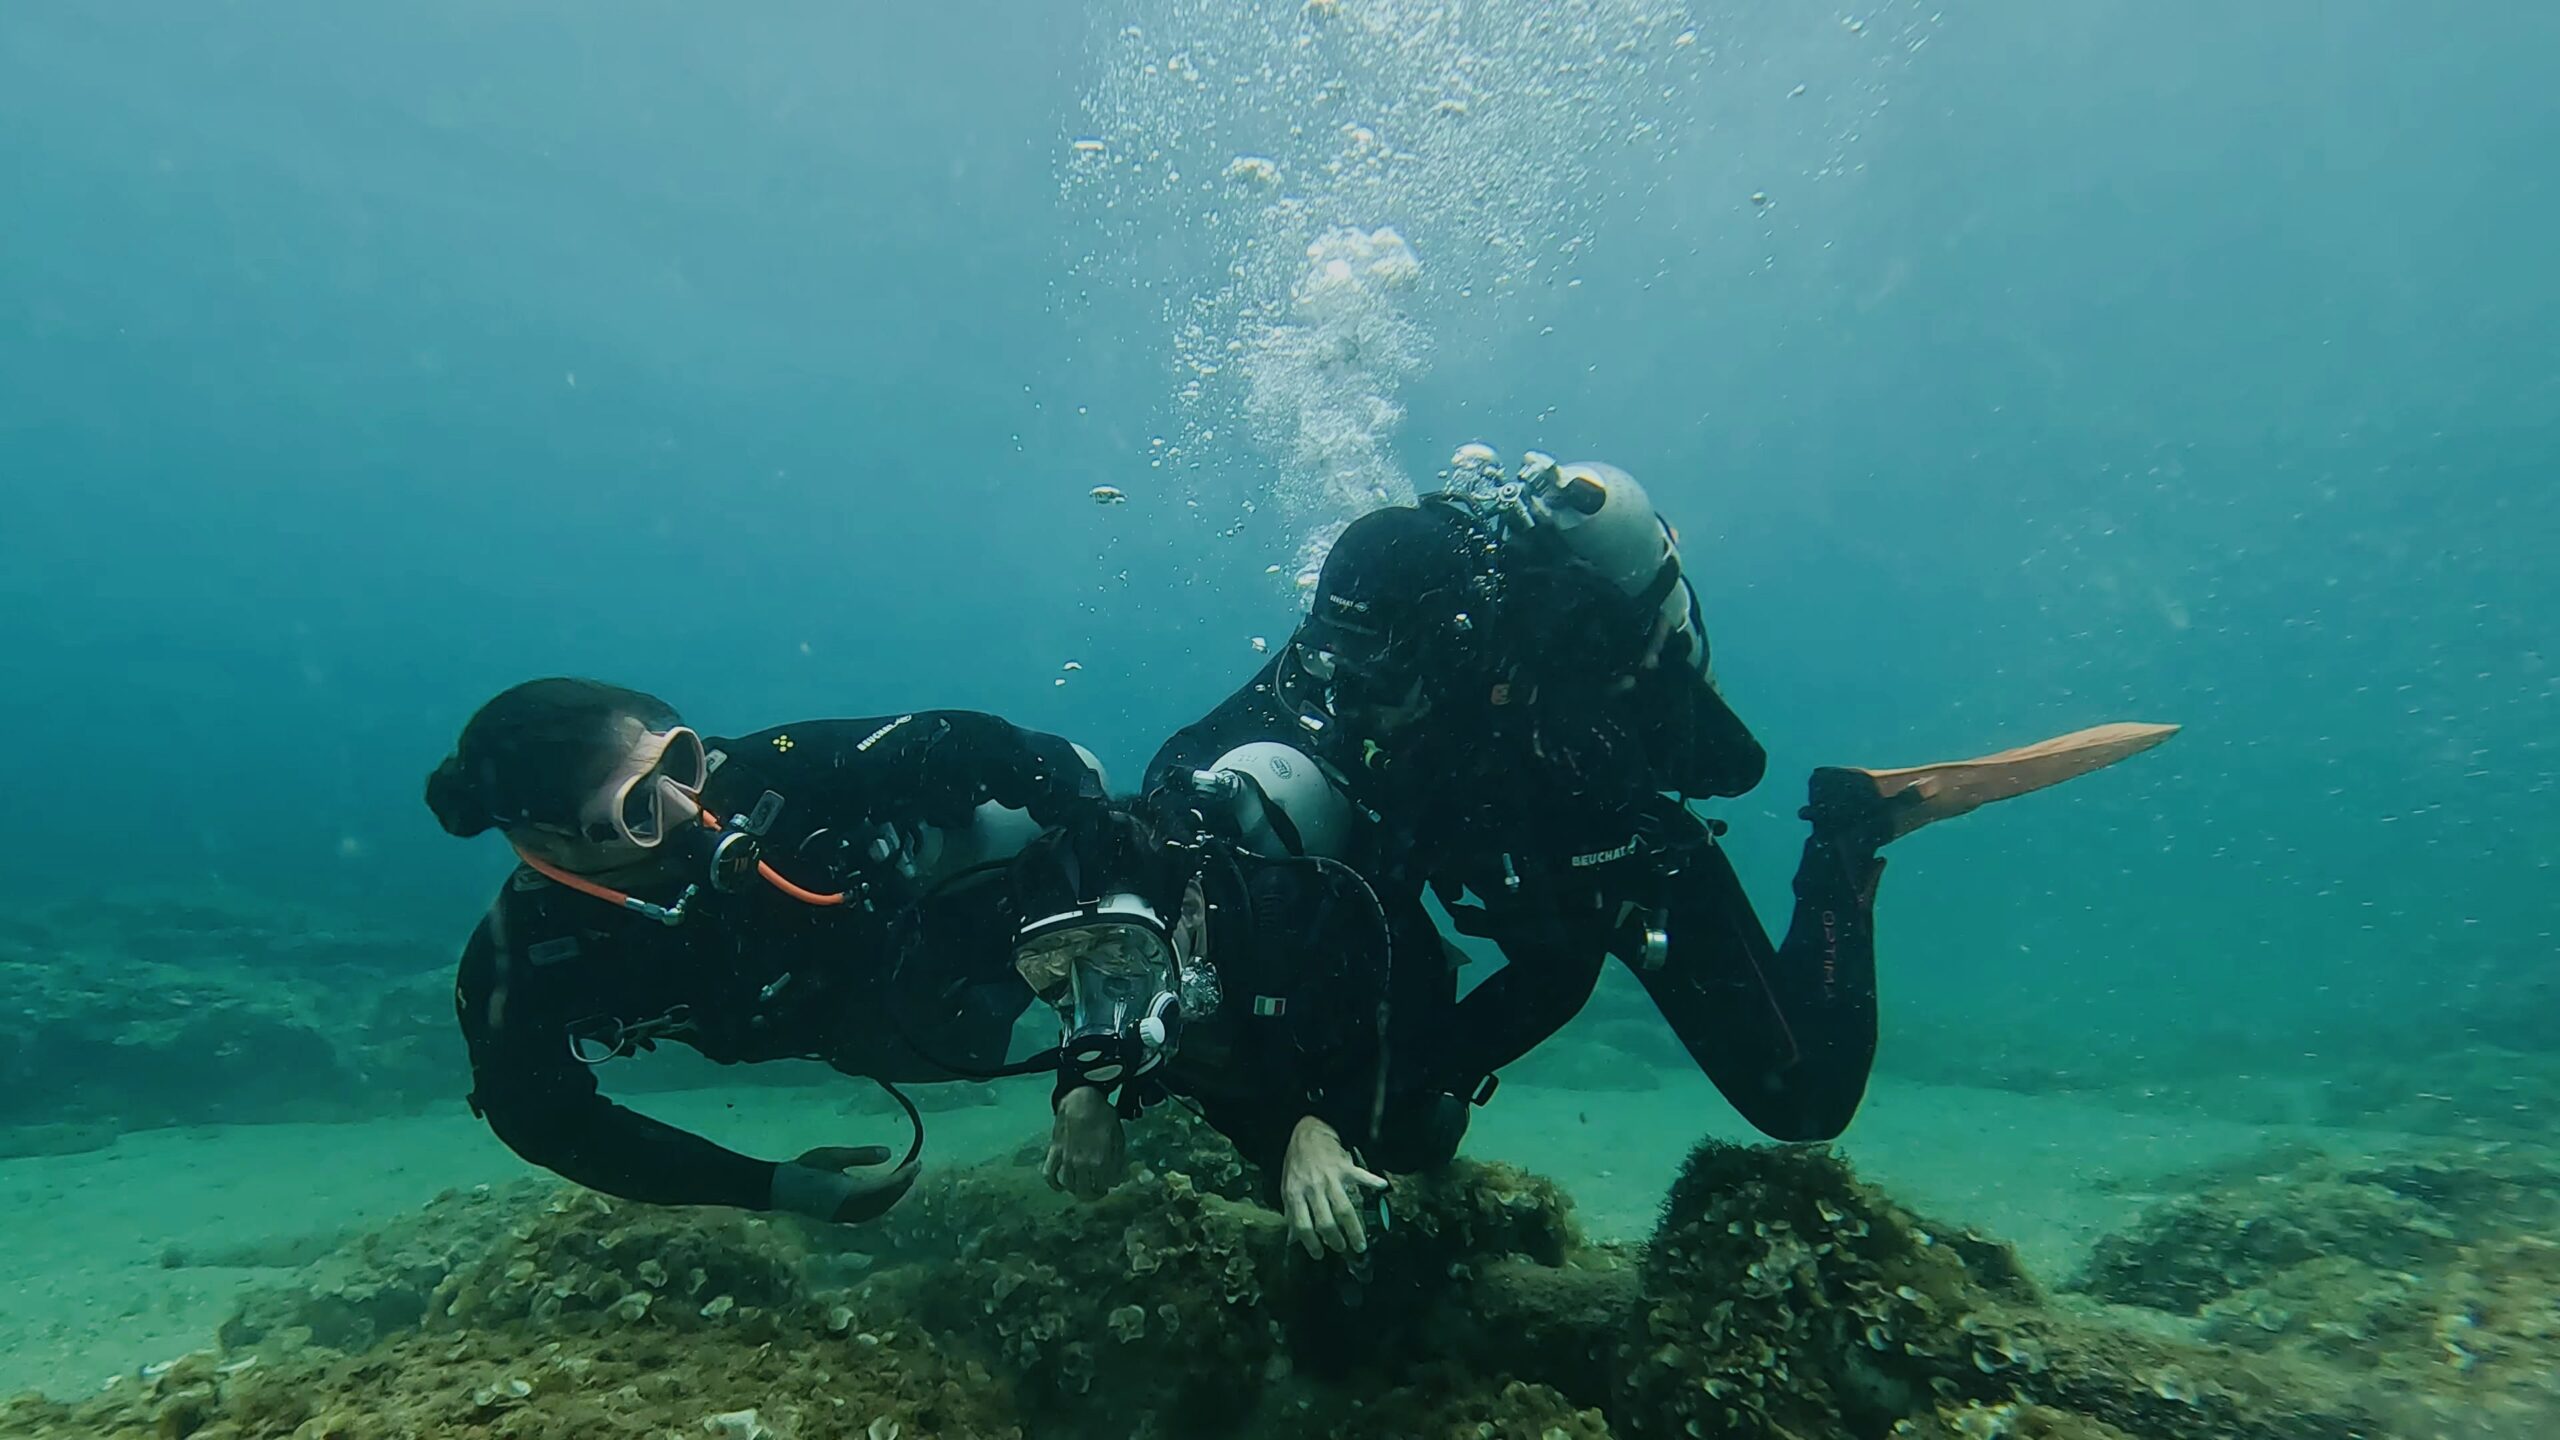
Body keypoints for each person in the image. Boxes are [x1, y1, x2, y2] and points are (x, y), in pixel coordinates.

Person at [1150, 444, 2177, 1142]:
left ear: (1451, 647)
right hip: (1481, 856)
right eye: (1336, 662)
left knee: (1805, 1101)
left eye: (1374, 673)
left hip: (1617, 876)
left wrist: (1419, 1074)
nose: (1348, 699)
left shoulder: (1555, 732)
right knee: (1379, 1098)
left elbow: (1559, 970)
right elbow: (1192, 753)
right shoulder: (1356, 648)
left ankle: (1849, 829)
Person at [426, 677, 1105, 1227]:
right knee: (941, 1043)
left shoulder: (765, 773)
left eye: (679, 762)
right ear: (548, 845)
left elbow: (979, 742)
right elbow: (545, 1122)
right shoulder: (527, 960)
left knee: (1082, 809)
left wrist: (1097, 1053)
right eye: (638, 809)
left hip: (961, 905)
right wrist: (772, 1187)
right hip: (888, 1028)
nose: (688, 808)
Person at [1004, 802, 1465, 1259]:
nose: (1094, 991)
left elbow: (1414, 1021)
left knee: (1409, 1143)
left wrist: (1327, 1125)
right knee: (1279, 1179)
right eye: (1053, 963)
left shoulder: (1291, 920)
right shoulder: (1154, 950)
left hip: (1349, 1051)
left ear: (1189, 908)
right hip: (1248, 1079)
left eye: (1120, 949)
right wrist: (1080, 1089)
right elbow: (1090, 1006)